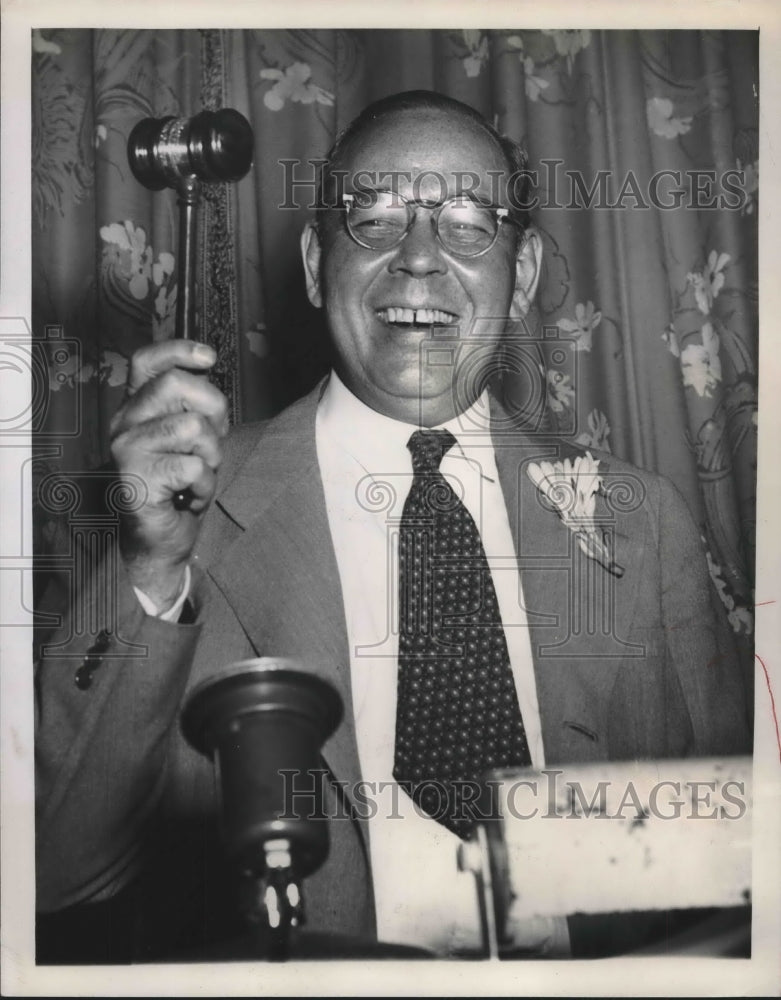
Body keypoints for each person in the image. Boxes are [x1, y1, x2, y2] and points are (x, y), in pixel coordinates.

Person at [35, 90, 751, 962]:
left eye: (466, 221)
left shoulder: (640, 523)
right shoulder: (184, 519)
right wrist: (152, 567)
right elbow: (59, 872)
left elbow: (734, 867)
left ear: (520, 278)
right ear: (312, 263)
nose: (418, 258)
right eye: (371, 218)